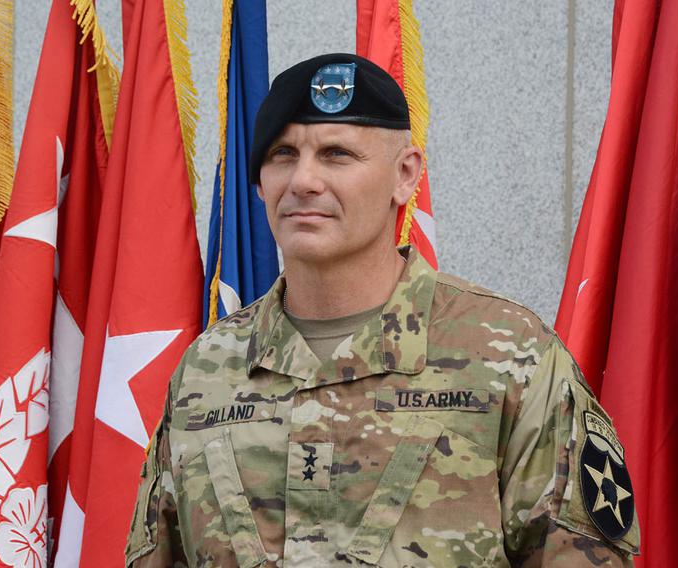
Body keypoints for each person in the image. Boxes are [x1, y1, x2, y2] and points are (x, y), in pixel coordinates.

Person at [126, 53, 639, 567]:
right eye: (283, 154)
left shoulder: (511, 357)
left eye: (336, 155)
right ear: (259, 182)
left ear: (405, 175)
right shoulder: (206, 370)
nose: (303, 179)